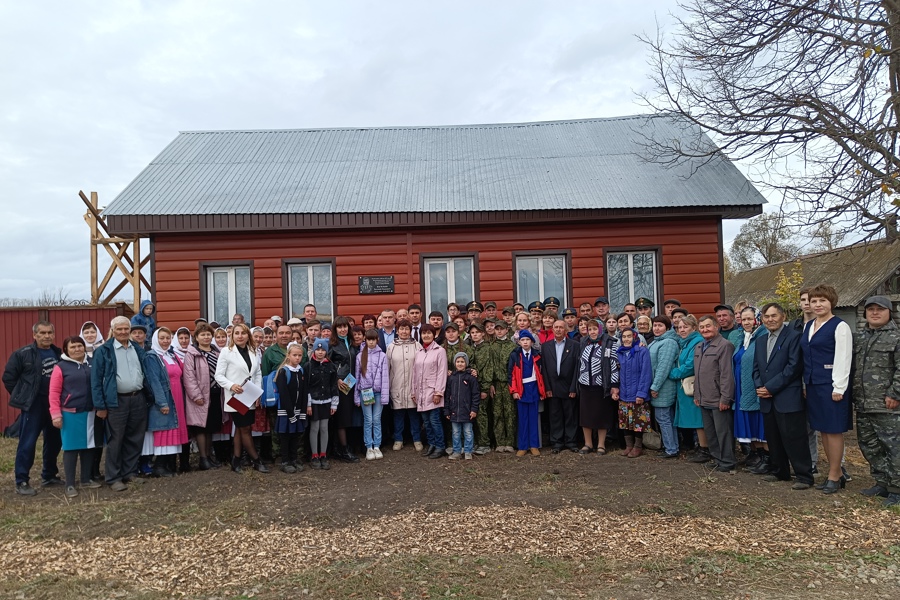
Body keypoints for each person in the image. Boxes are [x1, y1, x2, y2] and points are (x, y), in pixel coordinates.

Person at [91, 316, 168, 491]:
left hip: (138, 398)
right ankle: (113, 477)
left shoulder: (137, 348)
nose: (124, 332)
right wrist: (100, 406)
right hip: (116, 400)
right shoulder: (103, 351)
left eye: (126, 329)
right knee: (116, 439)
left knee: (135, 437)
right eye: (119, 329)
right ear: (113, 330)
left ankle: (130, 472)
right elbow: (95, 381)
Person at [752, 302, 815, 490]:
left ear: (783, 317)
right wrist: (760, 386)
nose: (770, 320)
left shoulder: (794, 337)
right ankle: (780, 472)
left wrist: (770, 387)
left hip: (787, 397)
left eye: (773, 316)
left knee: (794, 438)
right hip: (766, 398)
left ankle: (804, 476)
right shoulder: (761, 340)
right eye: (766, 317)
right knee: (773, 437)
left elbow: (794, 367)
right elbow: (756, 368)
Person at [801, 284, 853, 494]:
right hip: (813, 385)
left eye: (822, 300)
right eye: (814, 301)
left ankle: (834, 474)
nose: (818, 304)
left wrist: (839, 387)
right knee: (823, 428)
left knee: (834, 429)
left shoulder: (840, 326)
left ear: (831, 302)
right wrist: (806, 383)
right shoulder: (809, 326)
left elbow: (843, 357)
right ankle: (835, 472)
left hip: (832, 385)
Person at [4, 321, 63, 495]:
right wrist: (23, 396)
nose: (46, 336)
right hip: (33, 405)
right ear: (34, 335)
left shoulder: (58, 353)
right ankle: (21, 480)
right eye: (42, 333)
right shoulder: (22, 354)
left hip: (53, 404)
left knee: (54, 441)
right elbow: (9, 377)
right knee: (27, 442)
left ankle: (49, 475)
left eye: (49, 333)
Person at [853, 296, 900, 506]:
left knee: (893, 447)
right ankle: (882, 482)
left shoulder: (896, 337)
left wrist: (895, 394)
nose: (874, 312)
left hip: (887, 404)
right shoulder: (861, 337)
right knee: (870, 445)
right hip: (864, 403)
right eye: (870, 309)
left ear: (889, 312)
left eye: (880, 309)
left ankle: (896, 489)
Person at [49, 337, 100, 497]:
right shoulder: (61, 367)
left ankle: (85, 479)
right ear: (66, 349)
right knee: (71, 448)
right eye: (73, 347)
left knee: (88, 446)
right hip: (70, 413)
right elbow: (54, 393)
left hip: (90, 412)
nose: (77, 349)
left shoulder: (92, 363)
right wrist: (55, 414)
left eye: (80, 346)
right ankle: (70, 484)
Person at [215, 323, 268, 474]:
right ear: (232, 336)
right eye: (236, 333)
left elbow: (257, 373)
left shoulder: (253, 351)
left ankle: (236, 460)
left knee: (240, 428)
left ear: (247, 336)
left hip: (249, 395)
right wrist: (231, 385)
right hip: (235, 397)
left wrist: (257, 392)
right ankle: (256, 460)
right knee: (245, 428)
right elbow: (218, 375)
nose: (240, 336)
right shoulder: (226, 351)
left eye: (243, 333)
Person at [694, 315, 736, 473]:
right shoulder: (699, 347)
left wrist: (725, 397)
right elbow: (698, 373)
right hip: (704, 397)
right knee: (710, 432)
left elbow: (726, 374)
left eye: (708, 326)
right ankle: (717, 458)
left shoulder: (724, 345)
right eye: (702, 327)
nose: (705, 330)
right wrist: (697, 395)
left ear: (716, 327)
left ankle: (728, 460)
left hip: (718, 398)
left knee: (723, 431)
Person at [732, 307, 768, 471]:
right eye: (744, 319)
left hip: (755, 387)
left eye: (750, 319)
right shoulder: (743, 337)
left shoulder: (764, 336)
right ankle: (755, 453)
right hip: (741, 387)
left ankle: (766, 457)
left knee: (758, 420)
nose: (746, 322)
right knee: (748, 420)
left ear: (757, 319)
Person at [149, 328, 188, 477]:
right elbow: (154, 381)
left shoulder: (171, 354)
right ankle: (159, 466)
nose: (165, 341)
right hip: (165, 397)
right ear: (155, 339)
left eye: (167, 338)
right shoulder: (152, 356)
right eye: (162, 338)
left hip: (177, 396)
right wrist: (162, 402)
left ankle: (169, 465)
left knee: (174, 429)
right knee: (165, 429)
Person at [577, 319, 619, 455]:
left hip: (601, 386)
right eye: (590, 330)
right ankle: (587, 444)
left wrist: (614, 385)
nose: (592, 332)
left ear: (600, 329)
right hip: (585, 385)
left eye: (595, 329)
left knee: (602, 416)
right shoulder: (584, 343)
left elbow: (613, 366)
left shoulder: (609, 343)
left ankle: (601, 445)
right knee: (586, 417)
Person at [669, 315, 709, 462]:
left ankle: (704, 448)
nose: (682, 330)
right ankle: (700, 446)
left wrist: (672, 373)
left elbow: (690, 365)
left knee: (698, 418)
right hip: (684, 387)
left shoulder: (697, 342)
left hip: (693, 386)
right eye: (679, 327)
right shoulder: (684, 343)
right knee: (693, 418)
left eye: (685, 327)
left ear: (694, 328)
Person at [182, 323, 221, 470]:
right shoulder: (192, 354)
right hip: (199, 397)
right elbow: (189, 377)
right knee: (200, 428)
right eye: (202, 334)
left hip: (216, 394)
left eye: (208, 334)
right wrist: (196, 395)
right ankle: (203, 459)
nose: (206, 337)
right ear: (197, 337)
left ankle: (209, 457)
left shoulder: (216, 352)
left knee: (210, 426)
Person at [540, 319, 579, 452]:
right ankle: (557, 442)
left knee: (570, 415)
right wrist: (547, 388)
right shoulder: (545, 346)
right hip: (553, 386)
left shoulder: (574, 345)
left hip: (568, 387)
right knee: (555, 415)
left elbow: (577, 369)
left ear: (566, 330)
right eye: (555, 327)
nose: (558, 330)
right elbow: (544, 369)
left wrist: (574, 387)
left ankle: (571, 441)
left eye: (561, 327)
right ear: (552, 329)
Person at [412, 324, 447, 459]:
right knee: (426, 422)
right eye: (423, 333)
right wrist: (413, 392)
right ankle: (431, 444)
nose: (426, 336)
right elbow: (415, 374)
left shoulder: (440, 351)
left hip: (433, 392)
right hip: (421, 392)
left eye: (429, 333)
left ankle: (440, 446)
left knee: (435, 421)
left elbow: (442, 373)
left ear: (434, 335)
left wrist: (438, 392)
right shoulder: (419, 352)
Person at [616, 328, 652, 457]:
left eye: (629, 336)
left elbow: (646, 373)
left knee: (638, 422)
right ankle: (628, 446)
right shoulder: (619, 353)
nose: (626, 339)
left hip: (637, 393)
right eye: (624, 337)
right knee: (625, 421)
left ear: (635, 337)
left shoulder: (642, 351)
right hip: (624, 393)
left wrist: (641, 393)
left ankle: (637, 447)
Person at [386, 319, 422, 450]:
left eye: (407, 329)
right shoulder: (391, 347)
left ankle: (417, 439)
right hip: (397, 384)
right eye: (402, 329)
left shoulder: (417, 346)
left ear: (410, 330)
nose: (404, 331)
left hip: (413, 385)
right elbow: (387, 368)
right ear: (398, 330)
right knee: (398, 414)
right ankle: (398, 439)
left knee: (414, 414)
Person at [648, 316, 680, 458]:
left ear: (667, 327)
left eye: (660, 325)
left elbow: (663, 367)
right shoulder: (656, 342)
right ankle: (672, 446)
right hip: (658, 385)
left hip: (663, 386)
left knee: (663, 417)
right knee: (666, 417)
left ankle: (671, 449)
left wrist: (655, 387)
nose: (656, 328)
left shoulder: (668, 343)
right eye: (655, 325)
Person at [509, 329, 545, 456]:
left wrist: (542, 390)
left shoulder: (537, 355)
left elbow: (541, 373)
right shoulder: (514, 355)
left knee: (534, 418)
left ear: (532, 341)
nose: (525, 342)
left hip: (534, 389)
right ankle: (523, 446)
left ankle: (534, 445)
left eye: (527, 340)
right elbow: (511, 375)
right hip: (521, 390)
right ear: (519, 342)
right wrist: (514, 391)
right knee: (523, 419)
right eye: (522, 340)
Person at [355, 329, 390, 460]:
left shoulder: (382, 356)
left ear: (377, 340)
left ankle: (377, 446)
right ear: (365, 340)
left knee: (377, 419)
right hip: (365, 393)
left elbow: (385, 377)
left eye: (373, 339)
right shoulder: (360, 356)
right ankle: (368, 447)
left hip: (378, 393)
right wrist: (356, 397)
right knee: (368, 420)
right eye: (369, 339)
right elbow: (357, 378)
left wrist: (385, 396)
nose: (371, 342)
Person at [273, 342, 308, 473]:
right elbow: (284, 394)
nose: (297, 358)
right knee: (285, 436)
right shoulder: (283, 372)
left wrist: (302, 411)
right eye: (294, 355)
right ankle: (285, 460)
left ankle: (294, 459)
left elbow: (304, 392)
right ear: (288, 355)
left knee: (295, 435)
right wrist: (290, 413)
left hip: (298, 410)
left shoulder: (301, 370)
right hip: (286, 412)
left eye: (299, 355)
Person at [329, 316, 360, 463]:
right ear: (335, 329)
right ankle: (343, 449)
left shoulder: (353, 344)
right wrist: (336, 379)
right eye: (339, 327)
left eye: (345, 327)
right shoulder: (332, 345)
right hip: (341, 385)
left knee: (351, 416)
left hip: (354, 383)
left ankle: (349, 446)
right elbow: (328, 366)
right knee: (342, 418)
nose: (343, 329)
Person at [307, 338, 338, 470]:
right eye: (318, 349)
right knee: (315, 428)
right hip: (313, 402)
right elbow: (306, 387)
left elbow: (333, 386)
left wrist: (334, 404)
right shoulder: (308, 366)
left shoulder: (331, 366)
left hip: (326, 401)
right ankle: (314, 455)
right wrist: (308, 404)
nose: (320, 352)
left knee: (324, 427)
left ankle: (323, 454)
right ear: (314, 350)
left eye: (323, 350)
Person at [444, 352, 480, 460]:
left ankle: (468, 451)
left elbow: (475, 395)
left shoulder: (471, 378)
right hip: (454, 411)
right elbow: (447, 395)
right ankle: (457, 451)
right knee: (455, 432)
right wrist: (447, 410)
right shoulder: (451, 378)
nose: (460, 364)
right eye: (458, 361)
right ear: (455, 363)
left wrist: (474, 409)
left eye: (462, 362)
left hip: (467, 411)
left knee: (468, 432)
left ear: (466, 363)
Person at [467, 321, 495, 454]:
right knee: (472, 415)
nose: (475, 335)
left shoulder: (488, 348)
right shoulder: (471, 348)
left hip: (482, 386)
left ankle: (485, 443)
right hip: (471, 387)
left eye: (477, 332)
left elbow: (489, 370)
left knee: (482, 415)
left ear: (483, 333)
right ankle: (476, 441)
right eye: (472, 333)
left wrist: (485, 388)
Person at [490, 320, 518, 453]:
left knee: (510, 413)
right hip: (496, 384)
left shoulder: (513, 346)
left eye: (502, 329)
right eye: (497, 329)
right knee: (497, 413)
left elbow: (516, 368)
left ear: (507, 330)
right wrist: (490, 383)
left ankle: (510, 442)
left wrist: (514, 385)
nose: (499, 331)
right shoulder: (491, 346)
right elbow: (490, 367)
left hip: (509, 384)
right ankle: (499, 442)